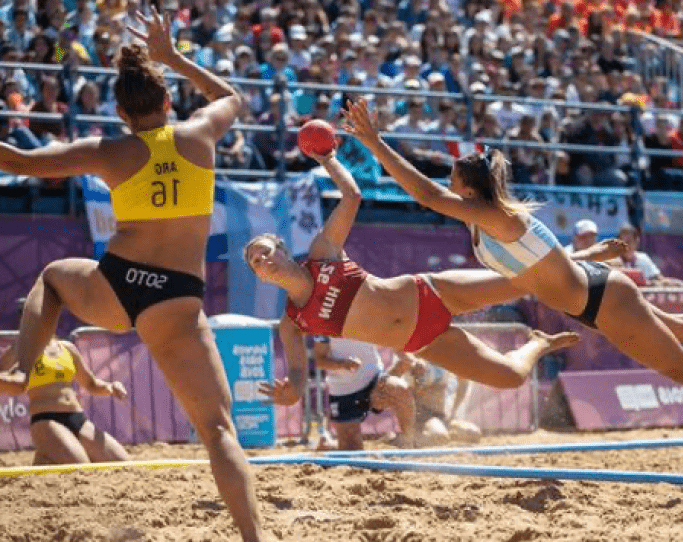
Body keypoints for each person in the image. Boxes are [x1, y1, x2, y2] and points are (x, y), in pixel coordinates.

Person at [343, 98, 683, 477]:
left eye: (454, 177)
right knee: (677, 327)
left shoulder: (495, 216)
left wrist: (374, 141)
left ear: (469, 188)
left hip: (600, 302)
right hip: (596, 291)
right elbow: (543, 265)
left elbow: (425, 194)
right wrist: (589, 256)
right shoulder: (492, 220)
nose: (448, 181)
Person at [0, 12, 264, 541]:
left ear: (120, 112)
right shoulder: (200, 134)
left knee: (53, 276)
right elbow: (234, 96)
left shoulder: (110, 151)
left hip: (118, 287)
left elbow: (21, 163)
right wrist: (173, 58)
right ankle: (256, 539)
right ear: (167, 102)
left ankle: (21, 368)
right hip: (178, 302)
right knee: (217, 431)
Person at [246, 148, 580, 409]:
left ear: (283, 250)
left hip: (429, 292)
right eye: (255, 262)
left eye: (265, 251)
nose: (262, 260)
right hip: (422, 341)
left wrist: (328, 159)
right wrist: (292, 391)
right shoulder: (291, 323)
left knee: (523, 283)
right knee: (510, 378)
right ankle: (539, 342)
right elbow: (299, 372)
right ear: (260, 277)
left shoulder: (321, 255)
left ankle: (577, 258)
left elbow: (352, 196)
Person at [0, 337, 130, 465]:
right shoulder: (19, 349)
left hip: (77, 418)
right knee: (81, 467)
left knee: (124, 464)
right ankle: (47, 452)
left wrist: (111, 387)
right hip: (45, 419)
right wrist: (12, 382)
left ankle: (46, 457)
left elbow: (91, 384)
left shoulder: (67, 348)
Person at [275, 336, 416, 450]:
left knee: (400, 390)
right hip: (344, 390)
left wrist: (407, 357)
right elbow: (319, 360)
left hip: (373, 378)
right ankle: (330, 446)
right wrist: (342, 364)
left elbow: (390, 335)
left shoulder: (366, 310)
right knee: (352, 449)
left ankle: (409, 443)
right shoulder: (324, 321)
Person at [391, 351, 481, 446]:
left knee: (474, 433)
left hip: (441, 416)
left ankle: (433, 434)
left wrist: (453, 412)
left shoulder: (446, 356)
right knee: (438, 437)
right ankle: (407, 438)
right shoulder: (413, 358)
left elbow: (463, 380)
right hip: (420, 418)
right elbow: (394, 380)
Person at [610, 223, 683, 287]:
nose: (625, 246)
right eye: (622, 243)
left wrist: (674, 283)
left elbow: (659, 279)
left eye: (629, 242)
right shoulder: (613, 260)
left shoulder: (643, 258)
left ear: (636, 242)